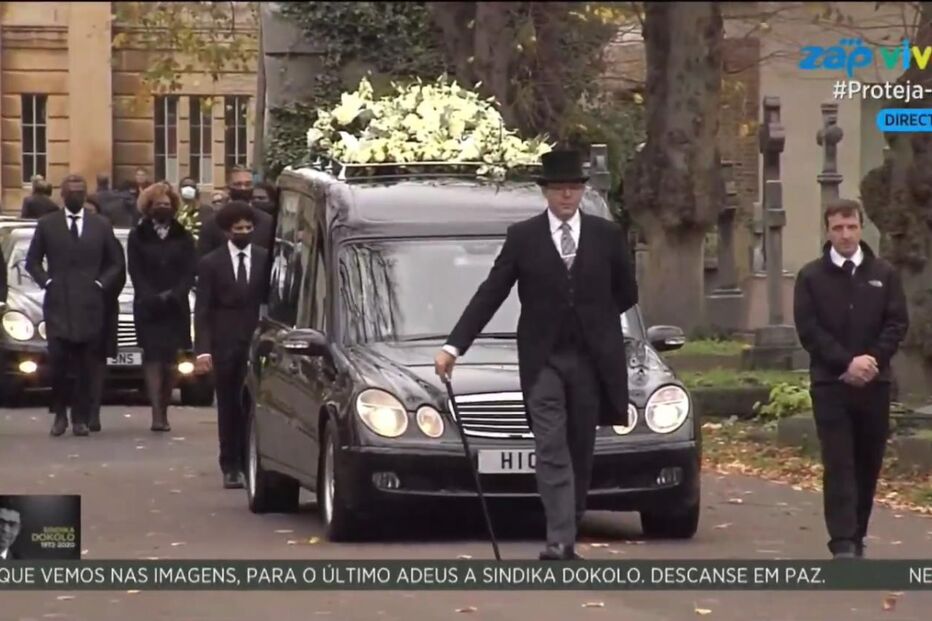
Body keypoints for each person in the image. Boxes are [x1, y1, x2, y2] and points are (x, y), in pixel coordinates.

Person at [434, 150, 638, 561]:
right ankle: (558, 539)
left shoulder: (606, 236)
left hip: (589, 361)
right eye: (559, 189)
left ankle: (569, 527)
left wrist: (595, 321)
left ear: (581, 192)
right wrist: (454, 347)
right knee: (551, 447)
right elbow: (491, 293)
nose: (567, 195)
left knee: (580, 448)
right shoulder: (523, 238)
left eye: (574, 188)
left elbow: (626, 292)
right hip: (543, 359)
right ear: (545, 192)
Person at [793, 198, 909, 559]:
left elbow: (896, 322)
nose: (845, 235)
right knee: (839, 461)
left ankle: (858, 534)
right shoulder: (811, 277)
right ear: (828, 231)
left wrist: (872, 359)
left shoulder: (884, 274)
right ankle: (842, 541)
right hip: (831, 384)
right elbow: (809, 330)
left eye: (851, 227)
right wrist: (846, 362)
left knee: (867, 462)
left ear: (861, 228)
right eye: (838, 228)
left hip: (875, 383)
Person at [25, 174, 126, 437]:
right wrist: (46, 282)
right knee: (59, 363)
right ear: (62, 194)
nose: (76, 196)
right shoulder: (48, 224)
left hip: (90, 304)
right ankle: (60, 414)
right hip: (59, 303)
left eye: (81, 192)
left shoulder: (100, 225)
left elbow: (116, 262)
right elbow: (32, 261)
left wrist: (101, 284)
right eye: (71, 192)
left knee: (86, 366)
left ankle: (80, 417)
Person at [194, 201, 269, 488]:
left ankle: (251, 461)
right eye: (238, 229)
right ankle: (230, 465)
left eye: (248, 228)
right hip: (225, 344)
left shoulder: (264, 259)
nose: (244, 232)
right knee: (228, 406)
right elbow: (202, 310)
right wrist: (202, 350)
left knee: (253, 406)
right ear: (228, 231)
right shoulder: (211, 263)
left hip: (256, 344)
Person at [129, 182, 197, 432]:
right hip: (148, 306)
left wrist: (176, 294)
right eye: (158, 204)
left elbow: (190, 269)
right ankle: (157, 412)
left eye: (167, 205)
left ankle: (166, 406)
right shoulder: (138, 235)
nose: (163, 208)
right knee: (152, 357)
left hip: (175, 306)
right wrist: (151, 296)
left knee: (170, 360)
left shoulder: (183, 235)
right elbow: (134, 269)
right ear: (149, 207)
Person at [196, 167, 273, 257]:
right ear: (228, 187)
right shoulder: (212, 223)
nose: (243, 188)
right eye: (238, 184)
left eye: (248, 184)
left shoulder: (267, 222)